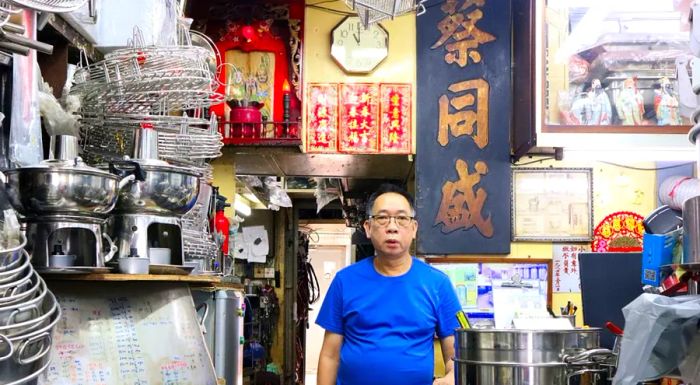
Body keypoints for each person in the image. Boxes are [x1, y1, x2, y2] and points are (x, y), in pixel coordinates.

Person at [316, 183, 461, 385]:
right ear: (368, 227)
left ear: (414, 228)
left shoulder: (438, 284)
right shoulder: (345, 281)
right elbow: (329, 355)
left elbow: (454, 347)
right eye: (382, 218)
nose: (392, 227)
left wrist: (453, 375)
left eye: (402, 219)